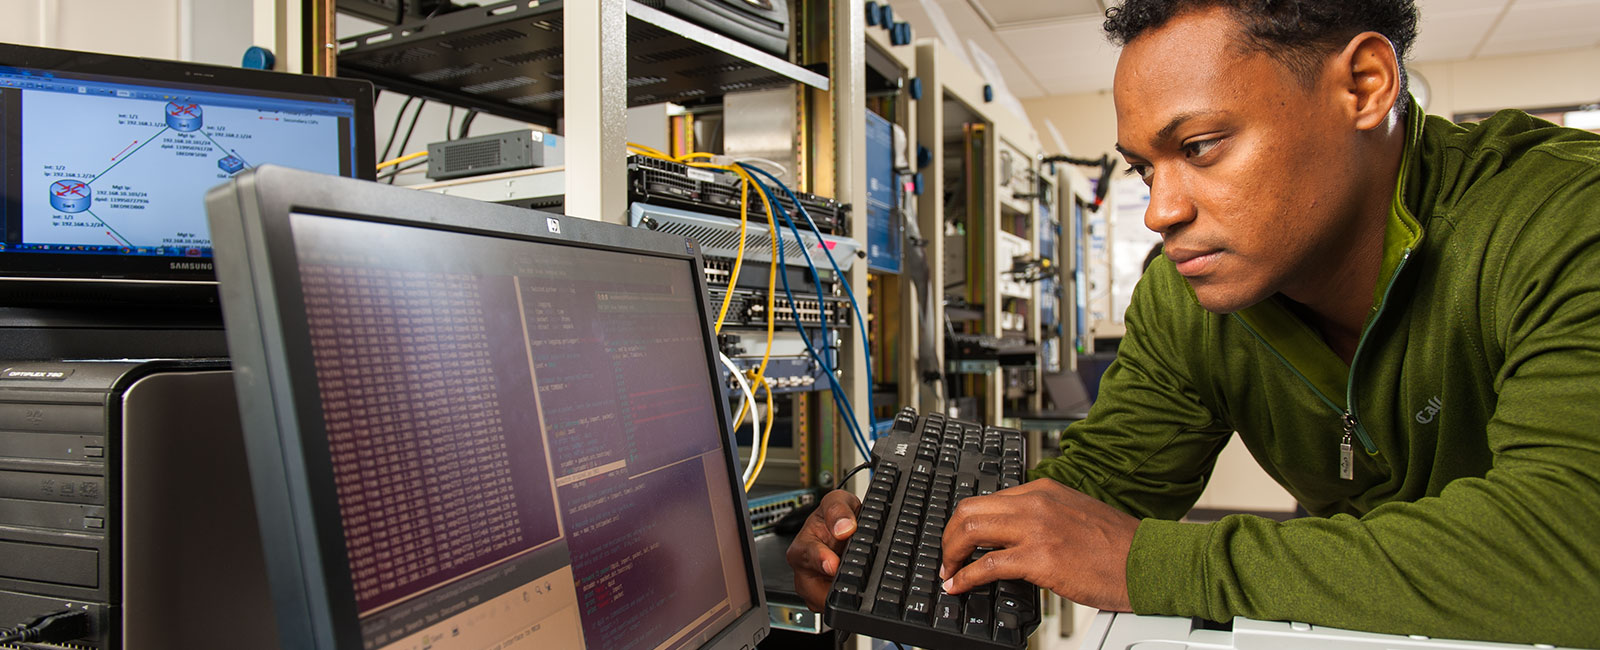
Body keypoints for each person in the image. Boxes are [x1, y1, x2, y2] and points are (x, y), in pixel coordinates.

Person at [786, 0, 1600, 645]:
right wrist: (901, 543)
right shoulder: (1189, 298)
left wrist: (1147, 563)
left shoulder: (1562, 220)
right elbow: (1104, 487)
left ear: (1364, 85)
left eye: (1202, 146)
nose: (1161, 210)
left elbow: (1569, 554)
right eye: (1144, 168)